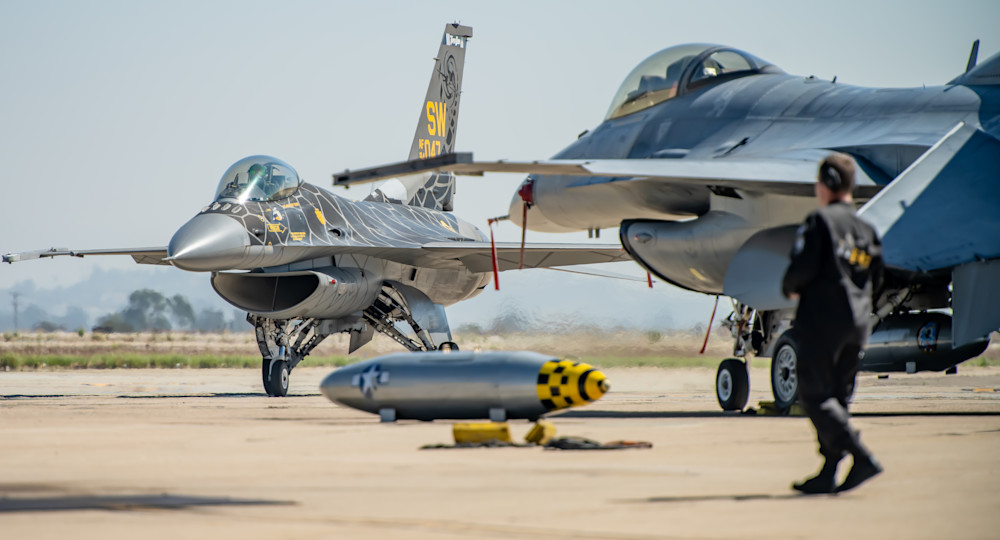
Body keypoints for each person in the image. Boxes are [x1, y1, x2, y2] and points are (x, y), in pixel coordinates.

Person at [781, 152, 884, 494]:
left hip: (823, 322)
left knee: (814, 397)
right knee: (837, 402)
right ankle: (828, 471)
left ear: (826, 184)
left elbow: (801, 270)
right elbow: (878, 279)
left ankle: (861, 455)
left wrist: (791, 287)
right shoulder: (866, 228)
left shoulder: (820, 222)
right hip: (857, 325)